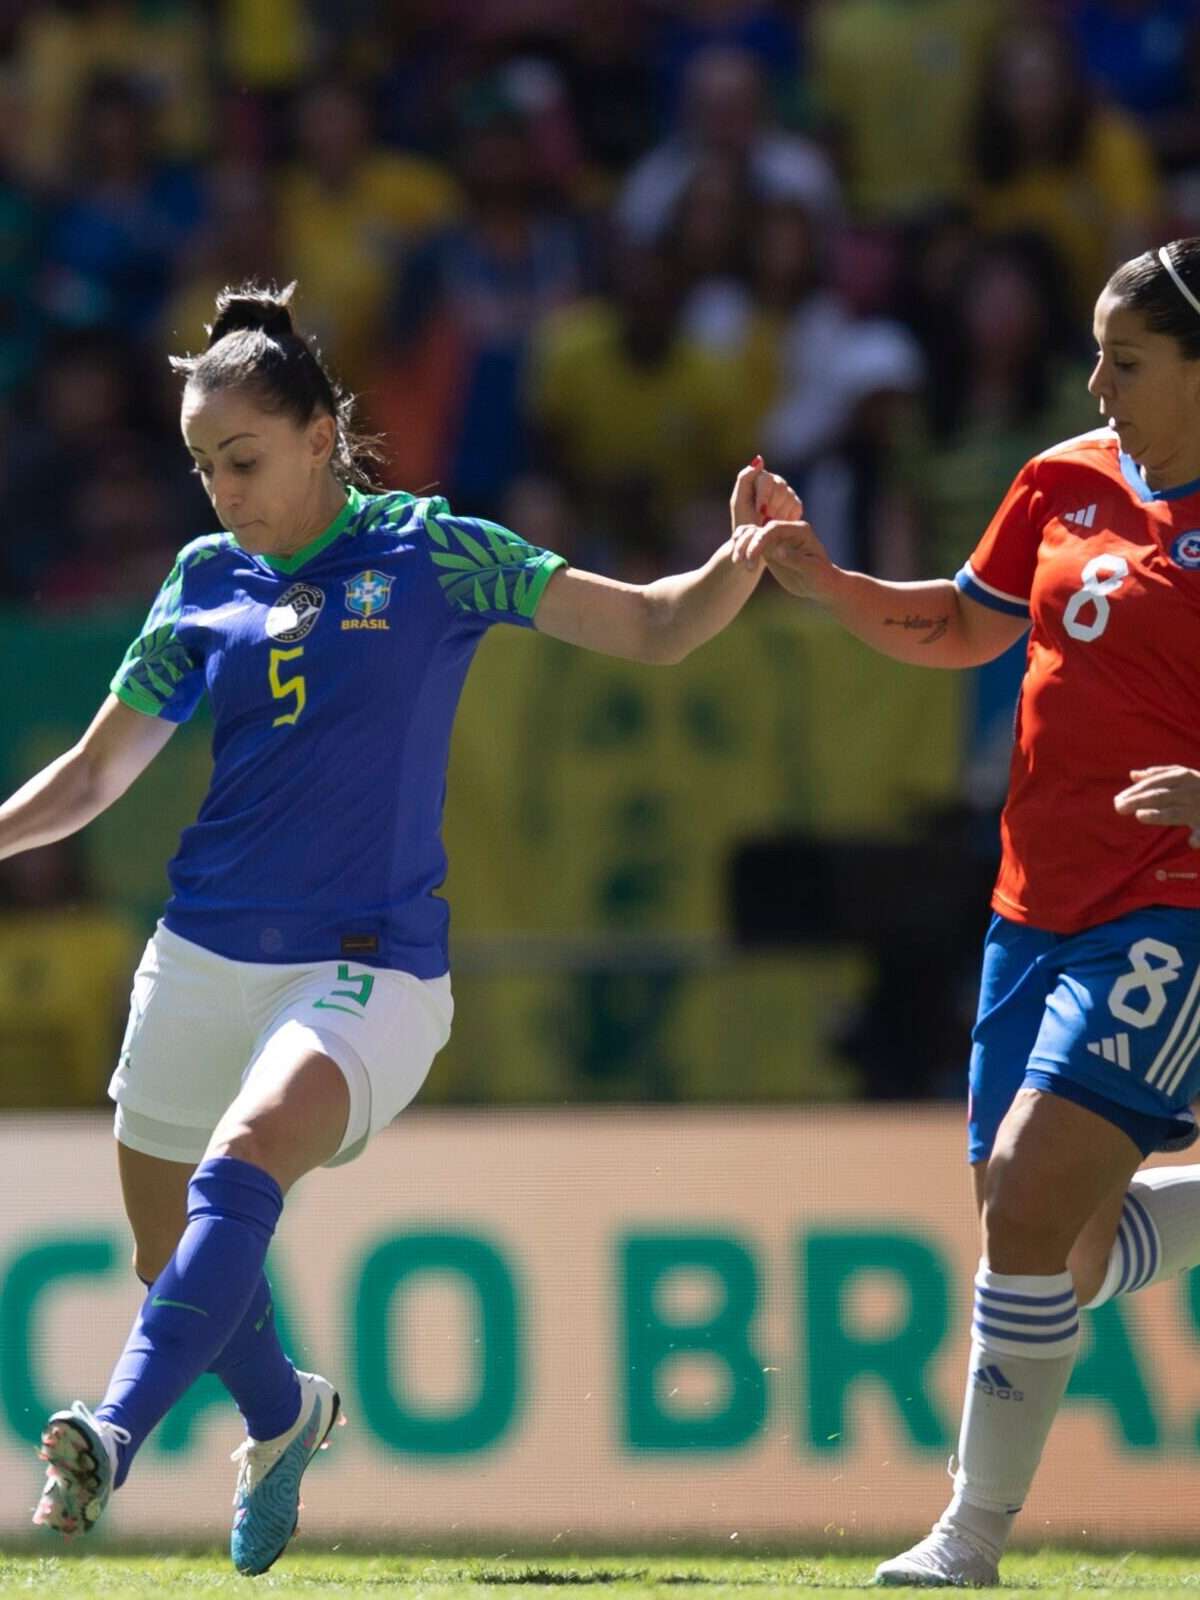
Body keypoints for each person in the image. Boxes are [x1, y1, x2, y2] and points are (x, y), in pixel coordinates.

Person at [16, 281, 792, 1574]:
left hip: (367, 969)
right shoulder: (204, 578)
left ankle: (110, 1431)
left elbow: (653, 627)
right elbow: (96, 777)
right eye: (203, 465)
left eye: (245, 459)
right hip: (201, 952)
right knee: (173, 1259)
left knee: (249, 1156)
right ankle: (284, 1417)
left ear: (324, 434)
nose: (223, 490)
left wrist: (738, 564)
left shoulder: (434, 553)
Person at [733, 236, 1200, 1586]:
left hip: (1170, 901)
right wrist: (820, 580)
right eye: (1098, 356)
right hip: (1030, 901)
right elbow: (960, 627)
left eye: (1130, 361)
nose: (1099, 383)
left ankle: (970, 1538)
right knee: (1031, 1222)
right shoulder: (1063, 479)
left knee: (1038, 1185)